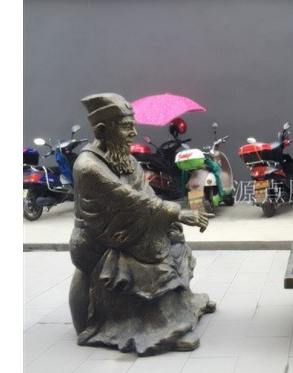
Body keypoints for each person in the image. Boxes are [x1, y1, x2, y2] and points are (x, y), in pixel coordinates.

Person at [68, 92, 216, 357]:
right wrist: (177, 213)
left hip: (126, 229)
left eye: (133, 126)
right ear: (102, 130)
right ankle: (164, 328)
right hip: (96, 241)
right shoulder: (87, 166)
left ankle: (180, 308)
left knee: (173, 241)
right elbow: (130, 199)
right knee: (153, 265)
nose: (133, 133)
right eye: (126, 127)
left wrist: (170, 220)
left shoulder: (127, 159)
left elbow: (147, 194)